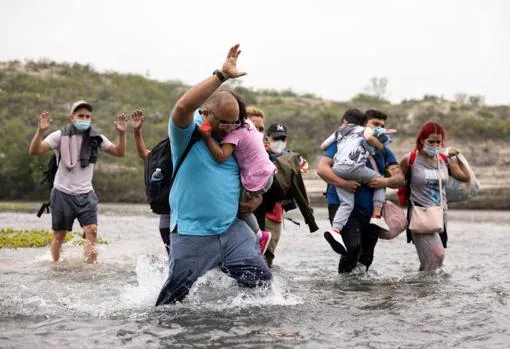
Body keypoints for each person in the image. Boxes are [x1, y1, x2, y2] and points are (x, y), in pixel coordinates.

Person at [155, 44, 272, 306]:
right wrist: (221, 75)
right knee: (171, 303)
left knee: (264, 285)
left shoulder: (235, 138)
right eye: (223, 122)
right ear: (207, 114)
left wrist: (256, 199)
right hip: (192, 234)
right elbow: (183, 106)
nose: (228, 128)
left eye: (234, 122)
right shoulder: (187, 135)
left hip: (230, 231)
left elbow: (252, 172)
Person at [28, 100, 127, 263]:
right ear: (72, 117)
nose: (84, 118)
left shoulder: (97, 138)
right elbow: (34, 151)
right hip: (62, 193)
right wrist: (40, 131)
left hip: (86, 194)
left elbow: (119, 152)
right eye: (80, 115)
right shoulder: (59, 136)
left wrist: (122, 134)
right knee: (60, 234)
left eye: (87, 116)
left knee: (92, 230)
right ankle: (56, 267)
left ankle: (89, 269)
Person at [317, 109, 404, 273]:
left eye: (383, 126)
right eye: (375, 124)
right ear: (364, 125)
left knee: (367, 256)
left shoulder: (384, 151)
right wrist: (344, 183)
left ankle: (361, 293)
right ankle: (342, 292)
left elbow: (400, 179)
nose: (380, 128)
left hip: (371, 211)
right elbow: (322, 169)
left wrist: (385, 181)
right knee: (352, 247)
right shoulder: (342, 142)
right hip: (341, 203)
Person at [198, 103, 275, 254]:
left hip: (257, 179)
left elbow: (221, 156)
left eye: (229, 123)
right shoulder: (248, 125)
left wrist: (207, 138)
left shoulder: (235, 134)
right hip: (267, 174)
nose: (227, 127)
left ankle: (260, 236)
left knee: (239, 208)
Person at [400, 121, 470, 271]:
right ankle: (424, 289)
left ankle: (424, 289)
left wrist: (456, 157)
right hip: (421, 214)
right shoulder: (410, 159)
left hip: (440, 214)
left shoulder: (444, 160)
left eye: (439, 142)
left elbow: (465, 177)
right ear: (421, 140)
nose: (435, 145)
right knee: (437, 255)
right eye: (431, 142)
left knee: (433, 262)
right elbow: (398, 181)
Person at [262, 122, 311, 267]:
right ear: (267, 139)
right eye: (275, 138)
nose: (279, 142)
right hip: (256, 210)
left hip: (275, 214)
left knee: (268, 255)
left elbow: (298, 184)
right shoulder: (257, 154)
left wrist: (307, 208)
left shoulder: (291, 159)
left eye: (282, 139)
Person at [131, 109, 172, 255]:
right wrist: (137, 132)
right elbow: (146, 154)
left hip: (187, 220)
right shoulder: (166, 152)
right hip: (169, 219)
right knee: (175, 261)